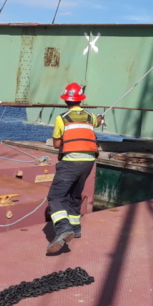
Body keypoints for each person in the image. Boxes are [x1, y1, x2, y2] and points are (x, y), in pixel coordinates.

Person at [46, 82, 103, 254]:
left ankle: (63, 228)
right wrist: (99, 118)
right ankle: (75, 228)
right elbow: (98, 122)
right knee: (74, 194)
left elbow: (57, 144)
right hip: (88, 162)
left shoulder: (61, 118)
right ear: (80, 99)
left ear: (66, 100)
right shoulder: (90, 116)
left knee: (55, 196)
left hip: (71, 161)